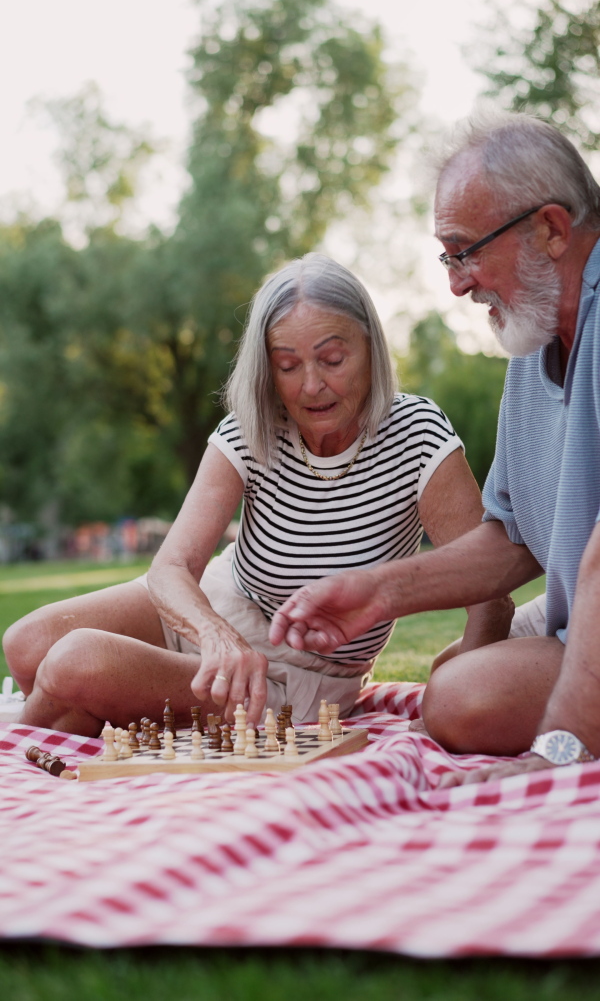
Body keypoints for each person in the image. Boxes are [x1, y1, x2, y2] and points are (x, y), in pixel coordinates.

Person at [4, 253, 511, 737]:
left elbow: (489, 594)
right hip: (218, 611)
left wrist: (461, 693)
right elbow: (171, 568)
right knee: (26, 645)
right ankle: (104, 708)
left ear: (371, 348)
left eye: (332, 359)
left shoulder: (417, 435)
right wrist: (214, 636)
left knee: (75, 663)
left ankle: (70, 722)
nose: (312, 385)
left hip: (295, 672)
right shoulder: (251, 430)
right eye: (288, 366)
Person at [270, 112, 600, 785]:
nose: (456, 283)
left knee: (462, 698)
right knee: (454, 682)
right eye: (446, 256)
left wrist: (559, 751)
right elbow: (513, 540)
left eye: (465, 250)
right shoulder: (534, 329)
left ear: (551, 229)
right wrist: (376, 592)